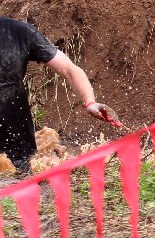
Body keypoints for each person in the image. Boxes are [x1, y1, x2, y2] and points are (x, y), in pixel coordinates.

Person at [1, 17, 119, 172]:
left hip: (17, 147)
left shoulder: (18, 32)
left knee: (19, 175)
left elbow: (69, 70)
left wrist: (90, 102)